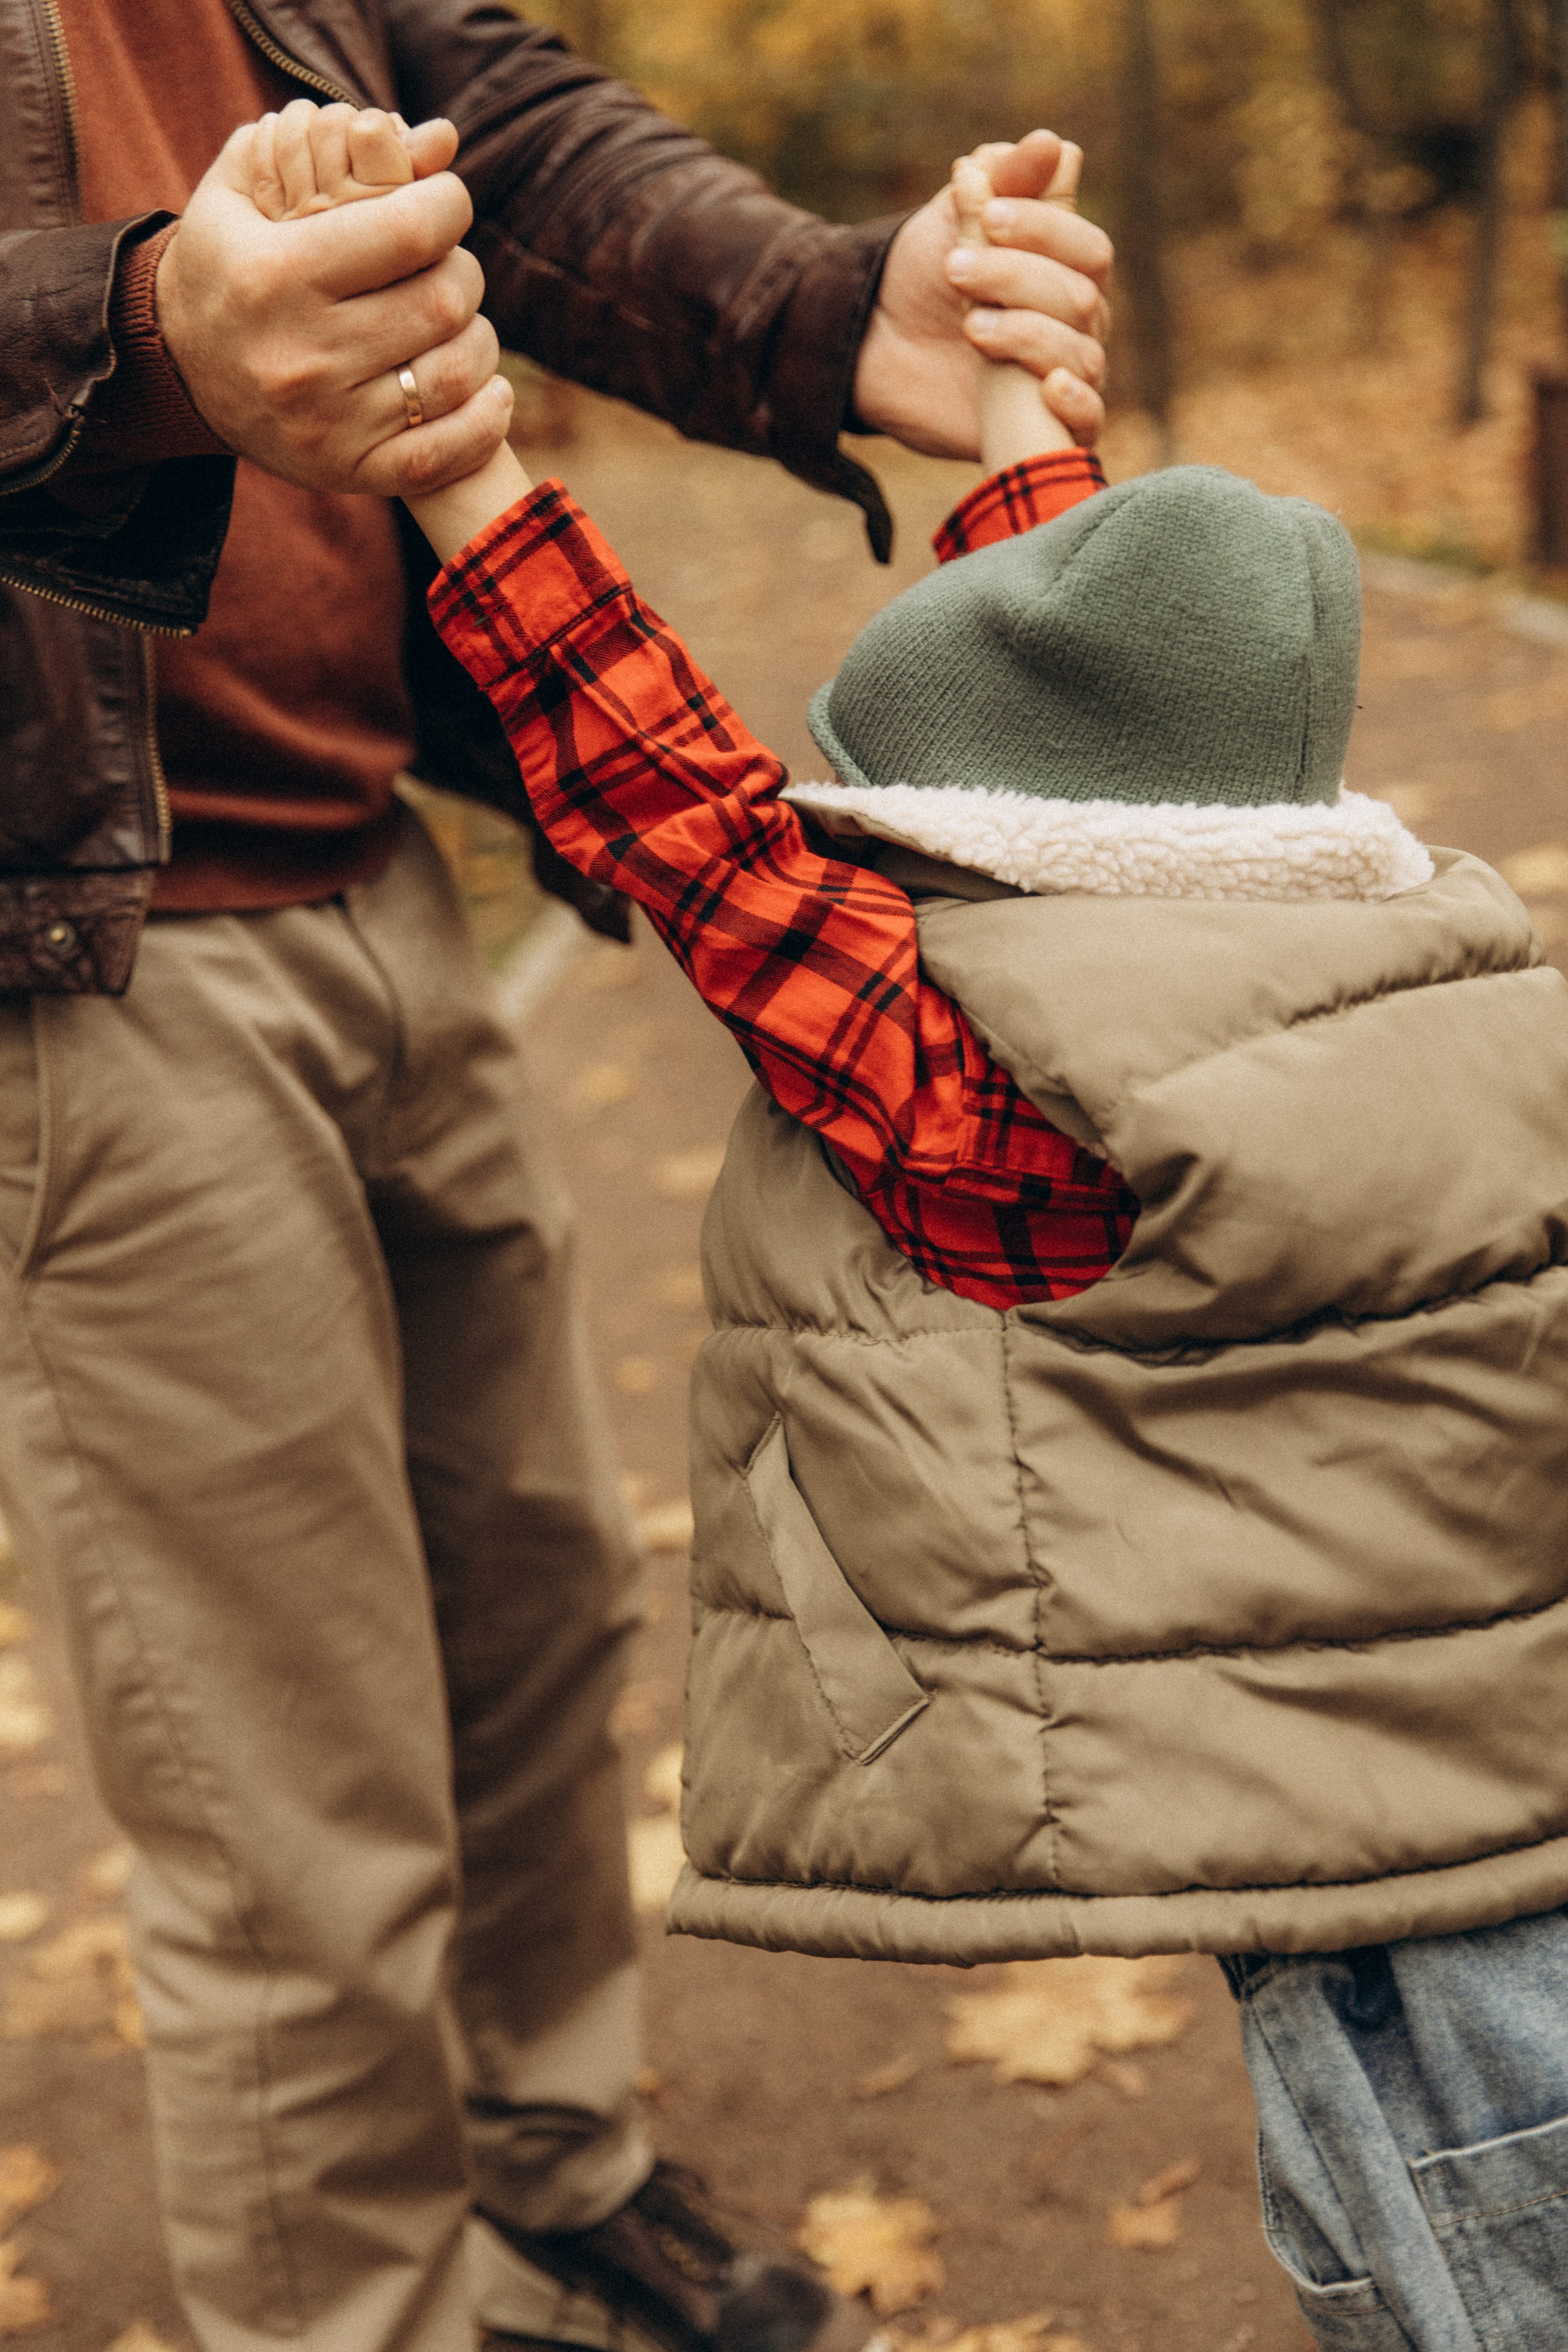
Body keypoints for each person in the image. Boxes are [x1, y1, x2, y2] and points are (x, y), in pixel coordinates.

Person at [274, 102, 1568, 2352]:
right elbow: (1109, 717)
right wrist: (1020, 417)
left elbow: (695, 833)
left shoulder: (1011, 1113)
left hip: (1416, 1927)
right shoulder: (1433, 968)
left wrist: (464, 469)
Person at [0, 9, 1115, 2351]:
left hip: (377, 857)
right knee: (293, 1802)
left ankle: (547, 2187)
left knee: (537, 1616)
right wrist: (140, 327)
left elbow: (495, 120)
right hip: (79, 964)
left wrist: (835, 306)